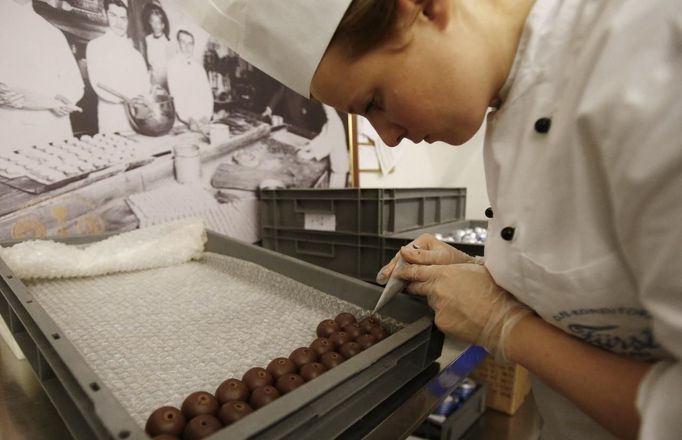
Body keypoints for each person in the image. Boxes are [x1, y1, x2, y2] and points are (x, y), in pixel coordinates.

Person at [184, 1, 681, 439]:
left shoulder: (653, 57)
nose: (390, 137)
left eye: (374, 101)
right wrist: (486, 277)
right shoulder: (510, 98)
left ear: (423, 7)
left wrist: (503, 325)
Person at [0, 0, 84, 152]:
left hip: (54, 125)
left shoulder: (52, 32)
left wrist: (66, 100)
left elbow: (75, 81)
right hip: (12, 126)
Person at [86, 0, 151, 134]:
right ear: (105, 14)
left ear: (127, 20)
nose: (119, 22)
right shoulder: (95, 46)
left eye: (123, 18)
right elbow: (98, 84)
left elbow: (145, 86)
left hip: (136, 116)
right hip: (111, 117)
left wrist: (142, 99)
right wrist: (128, 98)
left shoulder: (135, 54)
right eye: (113, 15)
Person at [166, 29, 214, 133]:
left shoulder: (198, 67)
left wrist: (206, 116)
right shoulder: (172, 66)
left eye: (190, 43)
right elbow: (176, 97)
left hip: (203, 121)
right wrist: (189, 119)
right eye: (183, 42)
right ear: (178, 44)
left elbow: (207, 95)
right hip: (183, 123)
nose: (187, 47)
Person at [142, 3, 173, 87]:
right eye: (153, 21)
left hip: (165, 79)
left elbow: (170, 66)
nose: (155, 25)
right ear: (149, 22)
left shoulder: (167, 43)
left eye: (158, 22)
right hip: (153, 78)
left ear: (163, 25)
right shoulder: (148, 39)